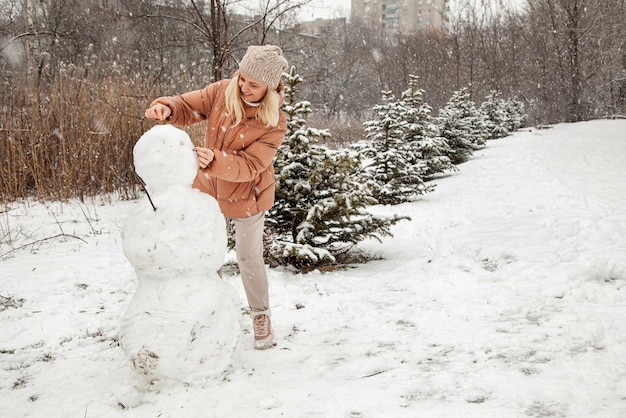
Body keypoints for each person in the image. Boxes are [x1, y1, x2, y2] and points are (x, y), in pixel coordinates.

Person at [144, 45, 289, 350]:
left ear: (270, 87)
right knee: (208, 257)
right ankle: (211, 315)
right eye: (242, 78)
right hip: (209, 190)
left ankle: (260, 315)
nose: (244, 87)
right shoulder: (223, 91)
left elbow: (251, 166)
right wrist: (167, 108)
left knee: (249, 257)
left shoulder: (274, 122)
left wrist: (217, 161)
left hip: (248, 194)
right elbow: (187, 106)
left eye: (254, 84)